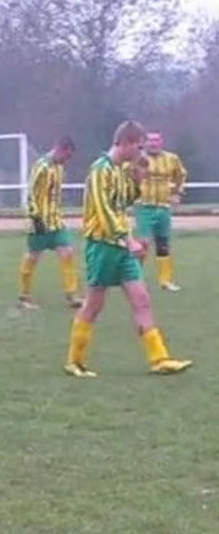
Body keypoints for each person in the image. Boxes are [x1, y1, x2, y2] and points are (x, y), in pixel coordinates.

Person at [64, 121, 191, 378]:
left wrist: (136, 181)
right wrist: (127, 238)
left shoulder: (121, 169)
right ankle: (74, 361)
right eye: (139, 146)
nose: (141, 152)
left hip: (121, 247)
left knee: (142, 299)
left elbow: (123, 202)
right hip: (102, 246)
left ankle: (159, 359)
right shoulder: (100, 170)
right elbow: (104, 209)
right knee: (94, 305)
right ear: (126, 143)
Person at [17, 136, 82, 309]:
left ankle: (71, 295)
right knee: (33, 257)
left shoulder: (59, 168)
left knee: (67, 252)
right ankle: (24, 297)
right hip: (39, 220)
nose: (67, 160)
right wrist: (36, 219)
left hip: (55, 221)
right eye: (67, 156)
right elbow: (31, 195)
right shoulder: (42, 167)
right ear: (59, 149)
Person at [134, 131, 187, 292]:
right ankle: (136, 279)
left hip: (163, 206)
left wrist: (177, 193)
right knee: (143, 243)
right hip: (144, 205)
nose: (153, 143)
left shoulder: (171, 159)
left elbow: (181, 175)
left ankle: (165, 281)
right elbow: (128, 177)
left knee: (163, 243)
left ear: (161, 142)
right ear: (145, 142)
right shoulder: (138, 159)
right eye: (150, 140)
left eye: (156, 140)